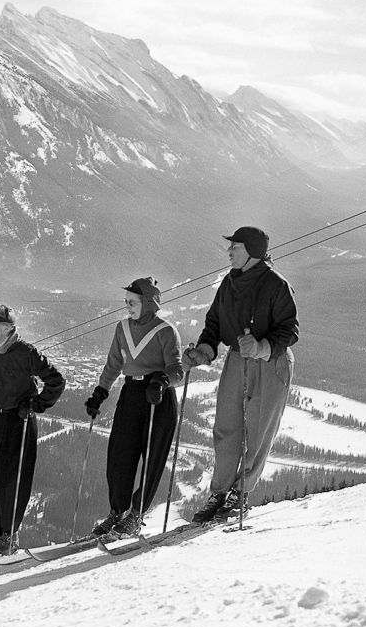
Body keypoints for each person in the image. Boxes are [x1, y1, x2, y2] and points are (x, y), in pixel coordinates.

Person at [182, 226, 298, 523]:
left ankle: (240, 493)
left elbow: (289, 329)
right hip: (237, 358)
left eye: (235, 246)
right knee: (226, 427)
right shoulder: (228, 283)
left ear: (252, 252)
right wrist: (204, 351)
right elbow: (214, 324)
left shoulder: (276, 285)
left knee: (258, 430)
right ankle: (219, 492)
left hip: (271, 363)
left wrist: (261, 346)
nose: (229, 251)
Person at [0, 304, 66, 554]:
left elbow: (56, 380)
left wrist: (35, 404)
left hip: (20, 422)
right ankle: (1, 535)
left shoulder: (25, 352)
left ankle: (10, 536)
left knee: (12, 481)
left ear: (6, 328)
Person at [83, 277, 184, 538]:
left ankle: (136, 516)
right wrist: (100, 392)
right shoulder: (123, 328)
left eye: (132, 302)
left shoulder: (166, 331)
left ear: (148, 303)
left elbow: (176, 369)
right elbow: (114, 363)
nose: (127, 306)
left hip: (158, 398)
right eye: (126, 301)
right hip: (131, 394)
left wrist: (162, 381)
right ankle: (117, 512)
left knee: (151, 458)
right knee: (119, 456)